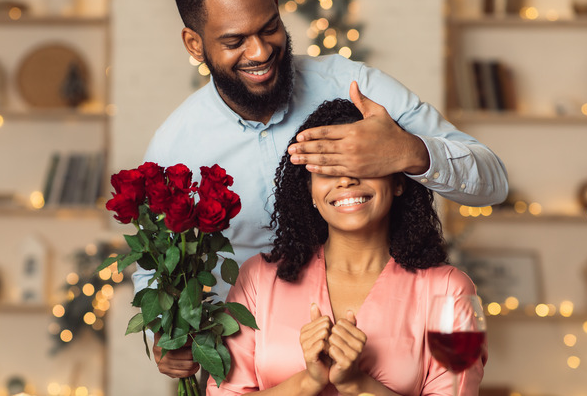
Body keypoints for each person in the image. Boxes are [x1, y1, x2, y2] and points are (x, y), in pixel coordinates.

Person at [137, 0, 506, 380]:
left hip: (386, 351)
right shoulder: (174, 149)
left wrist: (408, 151)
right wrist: (163, 335)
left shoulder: (356, 88)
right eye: (235, 40)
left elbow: (492, 182)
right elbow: (155, 265)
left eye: (269, 27)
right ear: (194, 43)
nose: (260, 52)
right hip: (248, 368)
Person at [207, 99, 485, 395]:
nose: (346, 180)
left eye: (363, 163)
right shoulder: (258, 279)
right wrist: (308, 381)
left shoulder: (451, 291)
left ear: (398, 182)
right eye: (327, 169)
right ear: (310, 190)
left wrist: (357, 384)